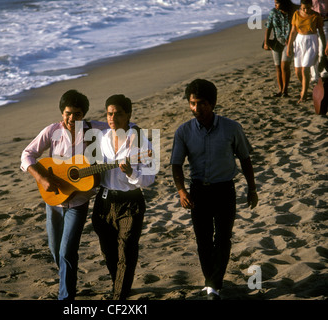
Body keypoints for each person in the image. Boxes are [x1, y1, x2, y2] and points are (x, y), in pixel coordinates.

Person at [170, 79, 258, 300]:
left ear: (213, 103)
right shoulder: (184, 131)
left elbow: (245, 159)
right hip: (198, 192)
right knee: (203, 241)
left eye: (201, 104)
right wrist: (181, 191)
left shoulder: (232, 128)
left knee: (224, 238)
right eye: (192, 103)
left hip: (225, 190)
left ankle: (213, 285)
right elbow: (176, 164)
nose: (196, 109)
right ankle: (212, 283)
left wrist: (251, 189)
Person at [20, 89, 108, 300]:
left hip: (78, 202)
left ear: (83, 114)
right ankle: (68, 282)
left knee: (67, 251)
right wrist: (41, 178)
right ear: (62, 112)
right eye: (68, 113)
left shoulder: (93, 129)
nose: (71, 118)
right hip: (53, 201)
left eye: (77, 114)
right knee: (54, 249)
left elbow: (120, 129)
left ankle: (65, 297)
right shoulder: (52, 131)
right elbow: (27, 154)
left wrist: (136, 134)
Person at [92, 94, 155, 300]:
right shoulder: (101, 137)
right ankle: (120, 286)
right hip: (103, 202)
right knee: (109, 252)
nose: (112, 118)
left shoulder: (140, 140)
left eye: (118, 113)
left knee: (127, 251)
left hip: (131, 202)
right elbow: (93, 169)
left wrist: (131, 173)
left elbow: (150, 178)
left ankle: (119, 297)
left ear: (128, 114)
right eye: (109, 114)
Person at [287, 0, 328, 103]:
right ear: (300, 6)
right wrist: (289, 46)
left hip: (312, 41)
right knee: (298, 71)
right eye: (303, 8)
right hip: (299, 41)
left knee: (305, 68)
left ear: (311, 6)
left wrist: (324, 47)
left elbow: (322, 33)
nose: (306, 10)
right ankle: (305, 87)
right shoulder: (296, 14)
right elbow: (293, 31)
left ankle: (304, 94)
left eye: (308, 8)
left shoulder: (316, 16)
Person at [264, 0, 298, 97]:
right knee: (278, 66)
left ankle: (285, 90)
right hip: (276, 42)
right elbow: (268, 27)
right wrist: (266, 42)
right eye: (274, 3)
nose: (275, 5)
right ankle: (280, 90)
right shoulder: (273, 12)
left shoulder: (293, 12)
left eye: (277, 2)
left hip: (289, 42)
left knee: (285, 66)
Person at [311, 0, 328, 80]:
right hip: (312, 24)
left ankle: (323, 70)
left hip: (325, 23)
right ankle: (314, 75)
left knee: (322, 50)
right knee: (313, 50)